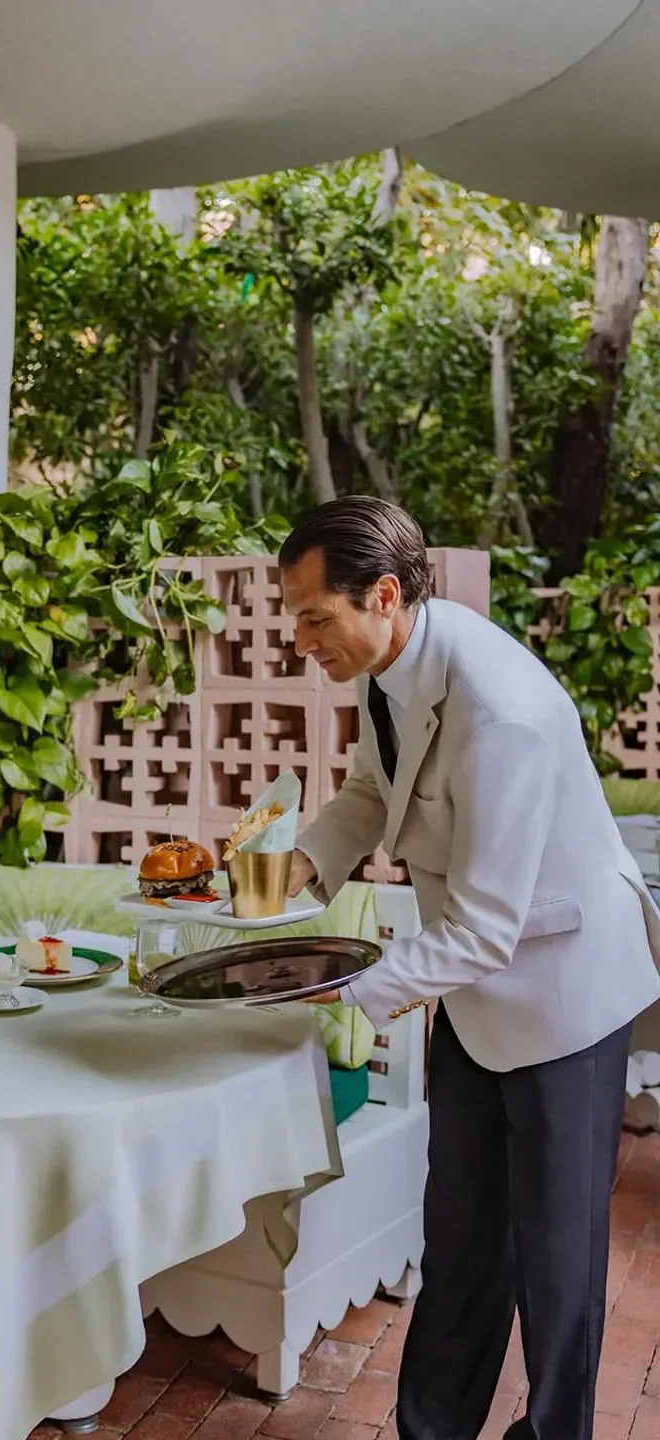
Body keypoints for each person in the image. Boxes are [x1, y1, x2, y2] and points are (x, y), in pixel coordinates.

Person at [280, 496, 660, 1440]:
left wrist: (338, 989)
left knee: (557, 1269)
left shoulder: (503, 712)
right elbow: (374, 790)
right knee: (458, 1240)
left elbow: (490, 927)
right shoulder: (387, 670)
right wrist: (305, 866)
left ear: (382, 595)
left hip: (567, 987)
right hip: (476, 983)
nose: (300, 639)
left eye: (313, 616)